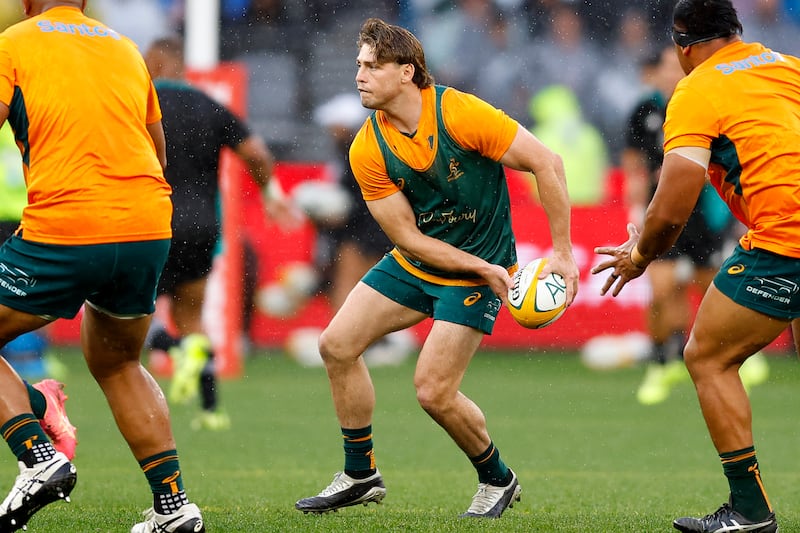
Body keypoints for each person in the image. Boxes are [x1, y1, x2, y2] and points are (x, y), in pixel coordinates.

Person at [294, 18, 578, 519]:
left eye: (371, 66)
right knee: (335, 346)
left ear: (407, 72)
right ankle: (361, 475)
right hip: (422, 260)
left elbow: (547, 163)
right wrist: (476, 264)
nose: (359, 76)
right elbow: (406, 236)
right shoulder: (367, 147)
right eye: (358, 65)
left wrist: (561, 253)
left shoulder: (460, 113)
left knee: (432, 391)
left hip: (478, 272)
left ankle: (498, 479)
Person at [593, 1, 800, 531]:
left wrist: (641, 255)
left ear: (683, 46)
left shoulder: (696, 89)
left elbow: (675, 196)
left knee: (706, 355)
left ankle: (750, 512)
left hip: (786, 237)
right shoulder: (786, 65)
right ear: (738, 32)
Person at [0, 2, 205, 532]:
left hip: (67, 224)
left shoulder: (14, 43)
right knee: (117, 363)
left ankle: (37, 456)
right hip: (146, 226)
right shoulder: (124, 49)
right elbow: (157, 152)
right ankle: (174, 508)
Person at [142, 36, 297, 431]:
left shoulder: (141, 102)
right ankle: (211, 411)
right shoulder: (208, 105)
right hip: (202, 228)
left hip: (153, 221)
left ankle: (172, 348)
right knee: (193, 316)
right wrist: (270, 194)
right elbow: (257, 154)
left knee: (129, 311)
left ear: (157, 62)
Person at [620, 44, 753, 406]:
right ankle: (663, 361)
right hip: (660, 211)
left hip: (703, 213)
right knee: (661, 286)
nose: (668, 73)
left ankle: (734, 353)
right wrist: (636, 202)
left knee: (710, 283)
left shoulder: (701, 104)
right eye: (662, 67)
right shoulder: (644, 110)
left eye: (673, 66)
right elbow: (632, 163)